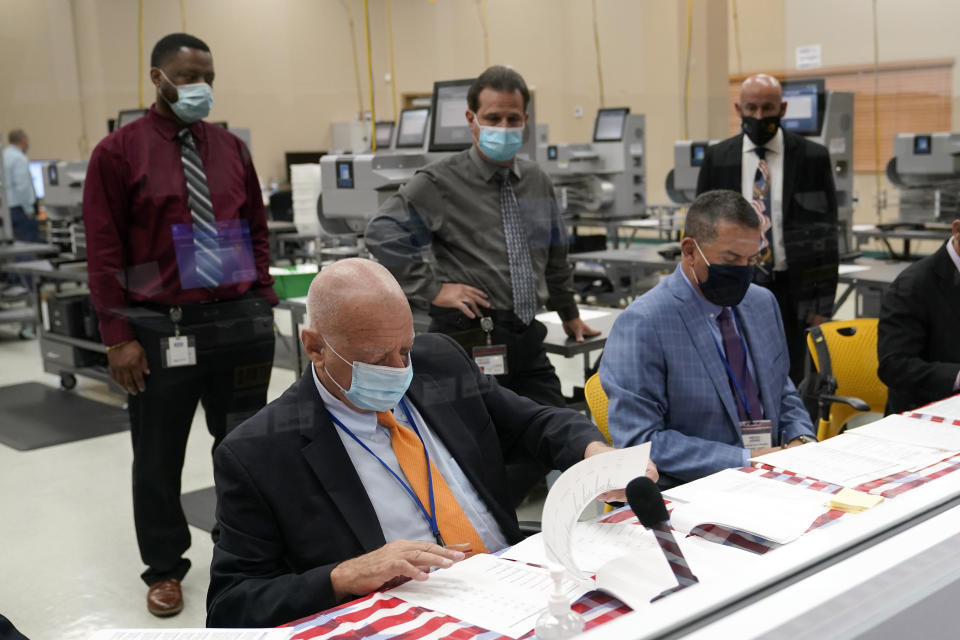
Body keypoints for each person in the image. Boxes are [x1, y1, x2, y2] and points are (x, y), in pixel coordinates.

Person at [205, 259, 653, 628]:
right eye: (378, 359)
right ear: (315, 347)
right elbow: (231, 604)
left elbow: (533, 422)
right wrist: (342, 576)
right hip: (411, 619)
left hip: (515, 591)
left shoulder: (437, 362)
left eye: (404, 347)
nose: (400, 369)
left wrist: (596, 453)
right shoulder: (258, 453)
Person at [82, 33, 277, 617]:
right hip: (161, 328)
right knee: (159, 455)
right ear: (157, 78)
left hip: (239, 322)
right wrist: (117, 337)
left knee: (245, 446)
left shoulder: (230, 149)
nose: (201, 89)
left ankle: (244, 548)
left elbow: (257, 228)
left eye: (208, 78)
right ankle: (165, 567)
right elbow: (104, 251)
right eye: (188, 78)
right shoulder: (118, 153)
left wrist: (263, 300)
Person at [366, 65, 598, 505]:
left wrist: (570, 315)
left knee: (554, 431)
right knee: (479, 444)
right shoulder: (440, 182)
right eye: (493, 118)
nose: (504, 128)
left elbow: (554, 254)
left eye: (513, 119)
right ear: (472, 119)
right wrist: (432, 288)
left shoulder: (536, 181)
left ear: (525, 121)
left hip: (526, 336)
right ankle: (485, 531)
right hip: (471, 338)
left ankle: (493, 521)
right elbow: (382, 232)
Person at [600, 190, 816, 489]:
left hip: (771, 473)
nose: (743, 271)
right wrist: (747, 460)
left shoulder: (762, 303)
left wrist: (800, 439)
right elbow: (641, 441)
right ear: (689, 250)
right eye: (730, 259)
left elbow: (782, 390)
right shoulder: (644, 323)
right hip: (692, 489)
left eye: (751, 259)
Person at [696, 73, 839, 385]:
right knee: (733, 370)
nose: (759, 116)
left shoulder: (813, 158)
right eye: (751, 108)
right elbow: (700, 229)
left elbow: (825, 235)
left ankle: (794, 434)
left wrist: (822, 305)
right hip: (731, 283)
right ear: (739, 109)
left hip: (793, 288)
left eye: (767, 108)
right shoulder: (718, 158)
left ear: (783, 109)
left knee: (792, 375)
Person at [878, 219, 960, 414]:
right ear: (957, 230)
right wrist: (956, 376)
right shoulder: (913, 285)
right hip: (924, 410)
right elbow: (894, 366)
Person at [2, 129, 39, 244]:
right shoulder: (19, 158)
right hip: (20, 210)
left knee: (16, 246)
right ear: (24, 140)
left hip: (6, 209)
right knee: (28, 246)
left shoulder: (3, 155)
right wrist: (29, 209)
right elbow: (22, 187)